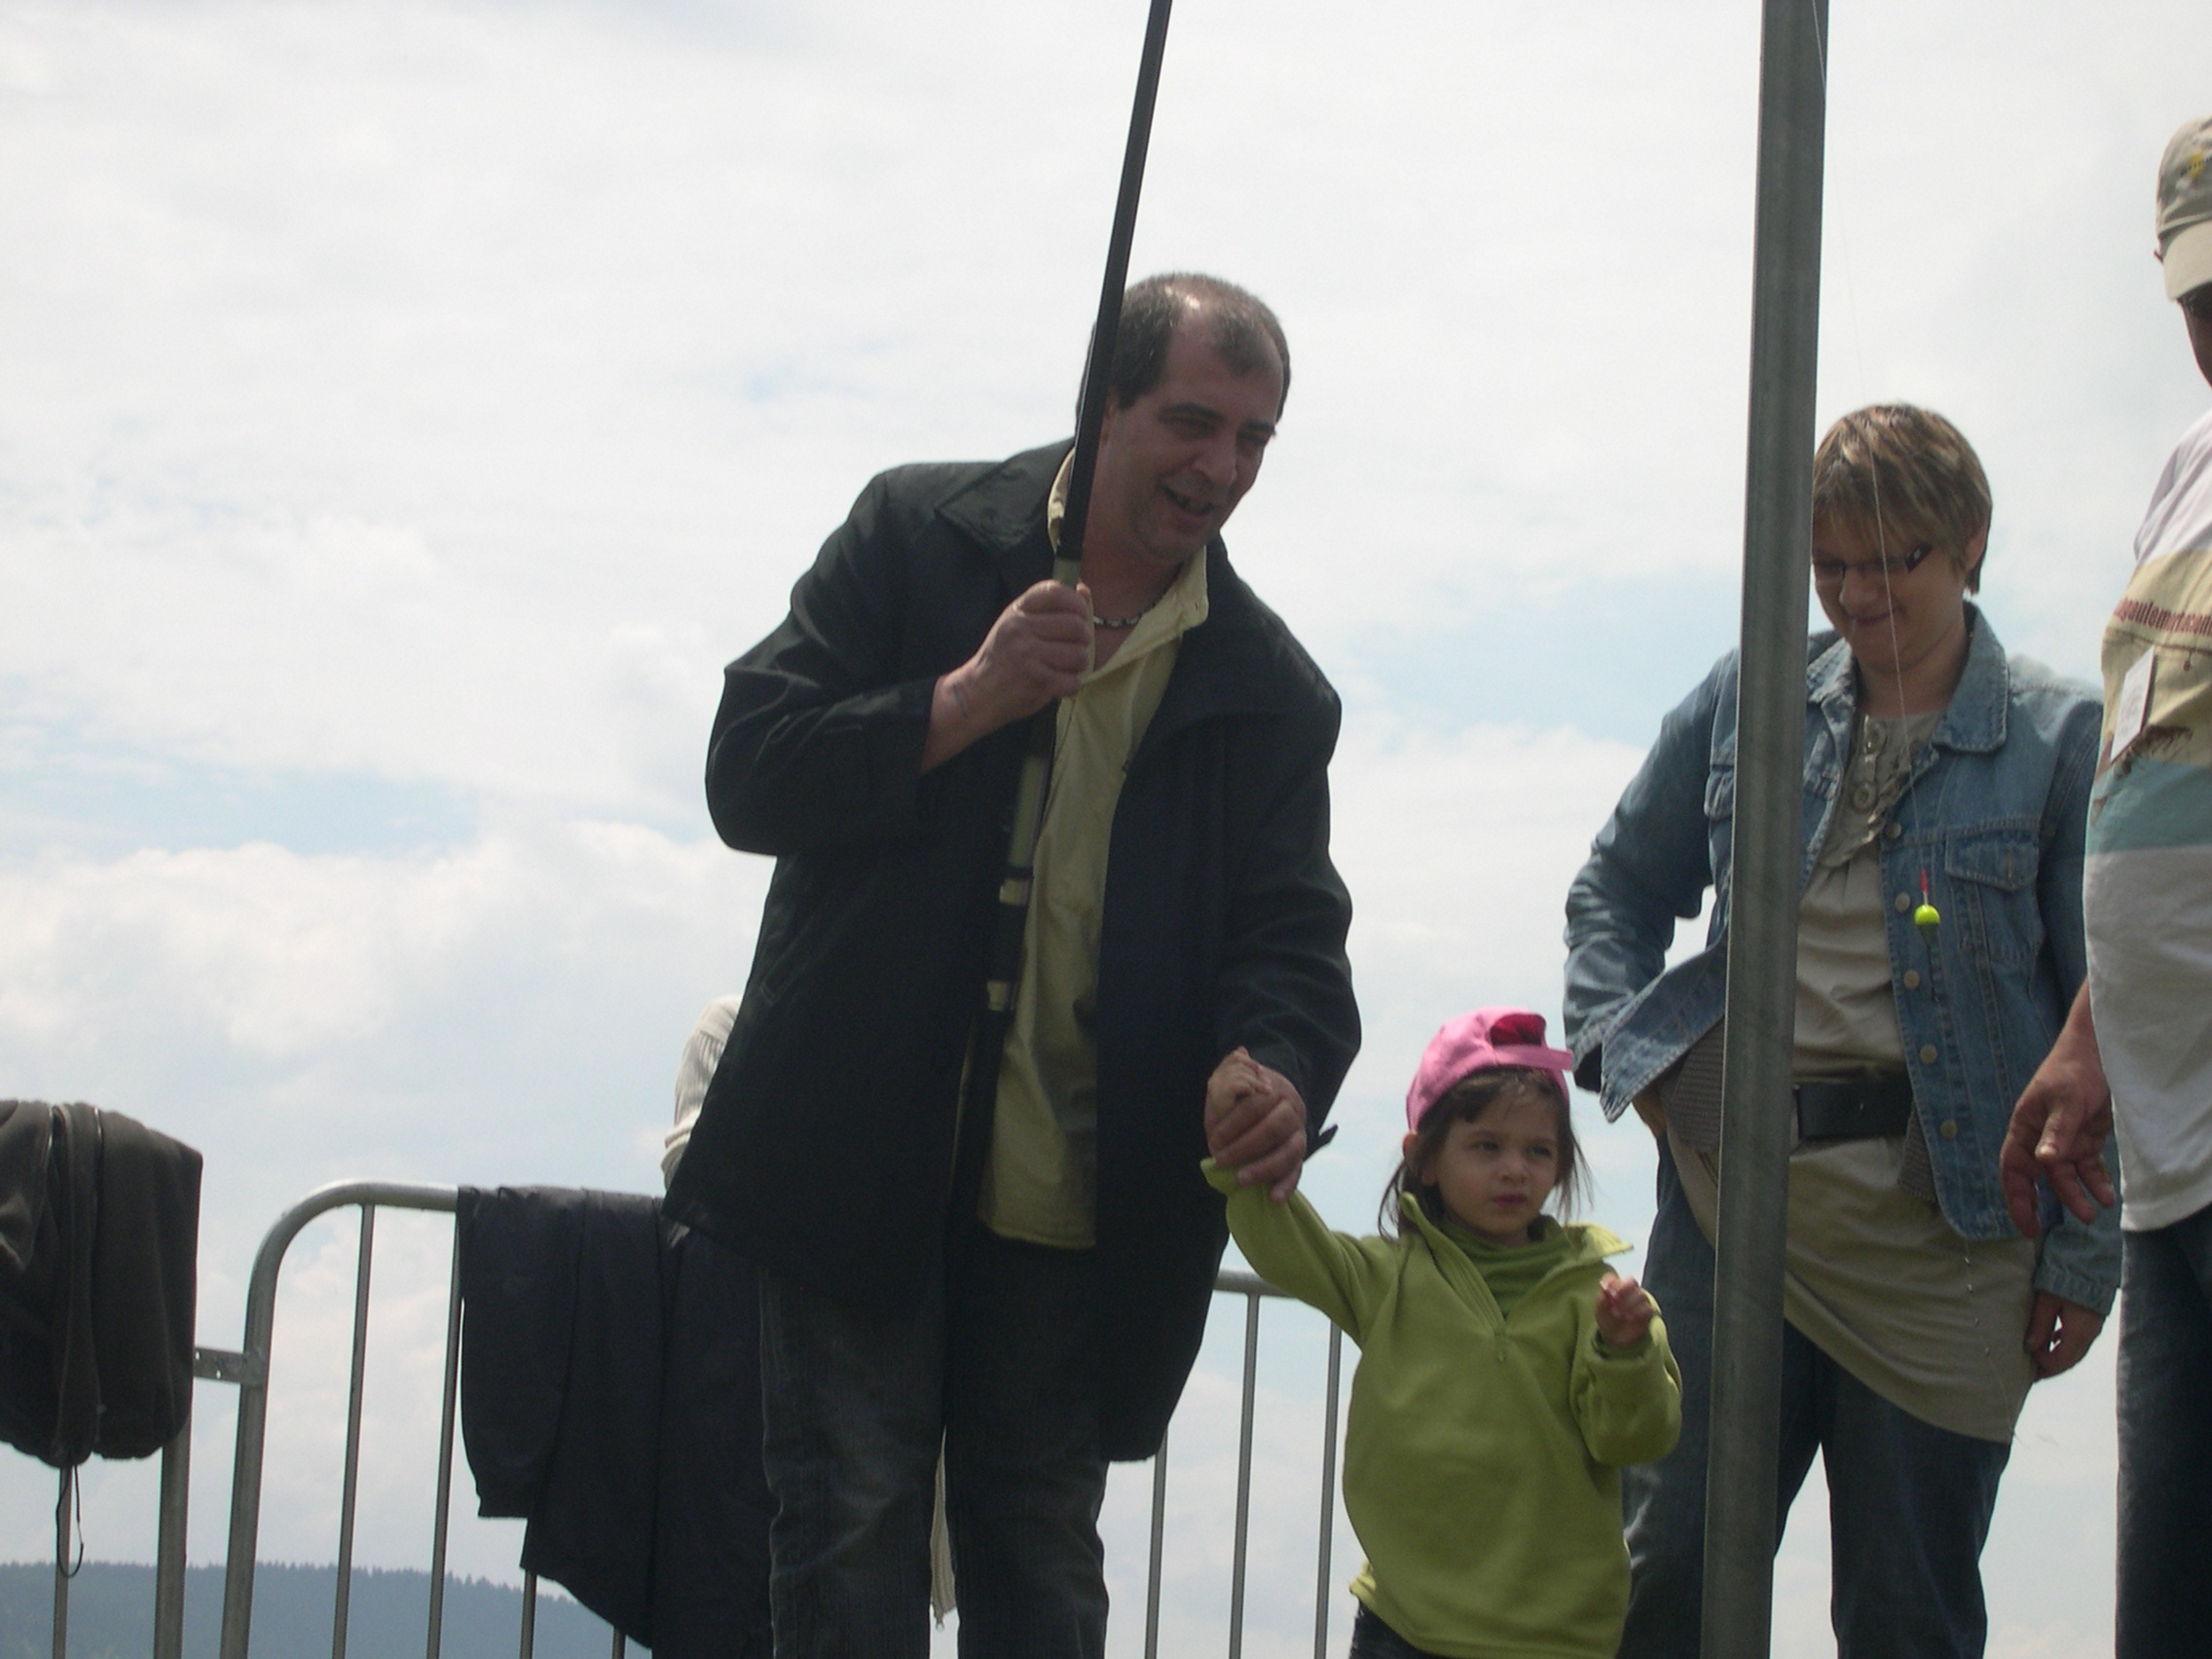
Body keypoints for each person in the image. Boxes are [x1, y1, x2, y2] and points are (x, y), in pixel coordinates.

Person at [662, 273, 1361, 1659]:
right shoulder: (914, 533)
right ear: (1103, 403)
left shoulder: (1272, 691)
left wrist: (1276, 1066)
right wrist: (963, 699)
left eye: (1254, 439)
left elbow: (1293, 939)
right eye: (1192, 423)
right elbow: (748, 771)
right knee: (849, 1527)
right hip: (859, 1159)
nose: (1222, 468)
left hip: (1077, 1199)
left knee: (1038, 1554)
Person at [1563, 403, 2117, 1657]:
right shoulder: (1748, 693)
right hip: (1730, 1210)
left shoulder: (2059, 738)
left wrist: (2083, 1258)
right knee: (1668, 1585)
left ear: (1969, 543)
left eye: (1892, 561)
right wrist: (1627, 1054)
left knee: (1905, 1614)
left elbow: (2109, 1011)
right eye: (1831, 566)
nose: (1860, 596)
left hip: (1949, 1238)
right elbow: (1615, 888)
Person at [1999, 111, 2212, 1659]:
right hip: (2168, 1140)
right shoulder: (2185, 474)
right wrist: (2089, 1032)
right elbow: (2151, 760)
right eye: (2200, 293)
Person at [1203, 1009, 1680, 1659]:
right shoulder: (1386, 1276)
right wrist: (1241, 1132)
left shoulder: (1597, 1298)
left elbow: (1634, 1439)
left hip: (1557, 1638)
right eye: (1487, 1146)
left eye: (1538, 1151)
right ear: (1423, 1159)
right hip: (1405, 1625)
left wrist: (1625, 1352)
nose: (1515, 1169)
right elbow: (1282, 1240)